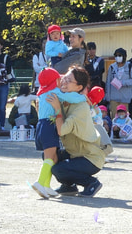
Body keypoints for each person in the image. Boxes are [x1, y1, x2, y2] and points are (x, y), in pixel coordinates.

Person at [48, 66, 107, 197]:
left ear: (79, 87)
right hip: (75, 152)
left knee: (58, 169)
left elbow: (61, 130)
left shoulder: (80, 107)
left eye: (69, 81)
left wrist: (57, 110)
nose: (64, 82)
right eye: (64, 78)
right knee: (48, 155)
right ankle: (69, 186)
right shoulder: (65, 100)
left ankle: (91, 183)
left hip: (90, 157)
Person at [29, 68, 88, 198]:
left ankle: (46, 185)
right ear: (55, 81)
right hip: (49, 126)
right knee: (50, 157)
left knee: (53, 157)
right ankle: (39, 182)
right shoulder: (54, 92)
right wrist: (83, 97)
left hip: (41, 126)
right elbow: (72, 97)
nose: (61, 81)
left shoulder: (42, 92)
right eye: (59, 79)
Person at [105, 47, 132, 118]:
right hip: (113, 97)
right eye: (116, 56)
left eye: (119, 55)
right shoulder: (112, 67)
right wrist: (108, 96)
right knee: (114, 117)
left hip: (125, 98)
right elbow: (108, 82)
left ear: (124, 56)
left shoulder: (130, 66)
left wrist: (122, 83)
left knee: (124, 118)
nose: (117, 57)